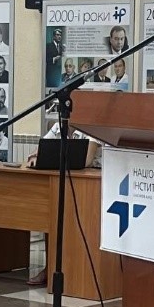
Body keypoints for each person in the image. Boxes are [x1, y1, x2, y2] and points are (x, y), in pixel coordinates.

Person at [25, 122, 101, 285]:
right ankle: (50, 268)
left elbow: (86, 160)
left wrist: (53, 158)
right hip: (63, 180)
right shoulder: (58, 126)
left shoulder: (92, 127)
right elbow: (40, 150)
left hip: (90, 186)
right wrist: (35, 157)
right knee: (52, 217)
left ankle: (77, 275)